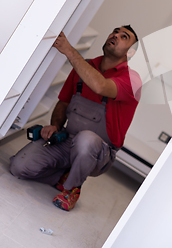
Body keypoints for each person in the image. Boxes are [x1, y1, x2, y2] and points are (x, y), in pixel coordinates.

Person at [10, 25, 141, 211]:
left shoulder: (132, 80)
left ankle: (71, 189)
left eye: (124, 36)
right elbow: (63, 103)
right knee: (19, 167)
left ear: (131, 52)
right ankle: (63, 176)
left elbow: (100, 86)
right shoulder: (84, 66)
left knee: (86, 139)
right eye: (114, 32)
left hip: (99, 153)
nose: (115, 35)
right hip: (67, 140)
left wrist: (69, 50)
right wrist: (55, 126)